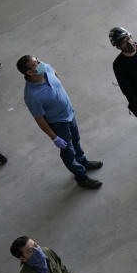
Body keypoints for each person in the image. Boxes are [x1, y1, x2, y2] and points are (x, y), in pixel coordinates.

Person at [17, 55, 102, 189]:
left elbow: (55, 74)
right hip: (58, 124)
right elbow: (39, 119)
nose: (40, 63)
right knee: (68, 152)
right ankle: (81, 177)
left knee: (76, 141)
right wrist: (54, 137)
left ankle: (83, 161)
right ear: (29, 72)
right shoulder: (32, 96)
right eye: (36, 64)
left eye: (38, 60)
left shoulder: (47, 69)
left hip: (69, 114)